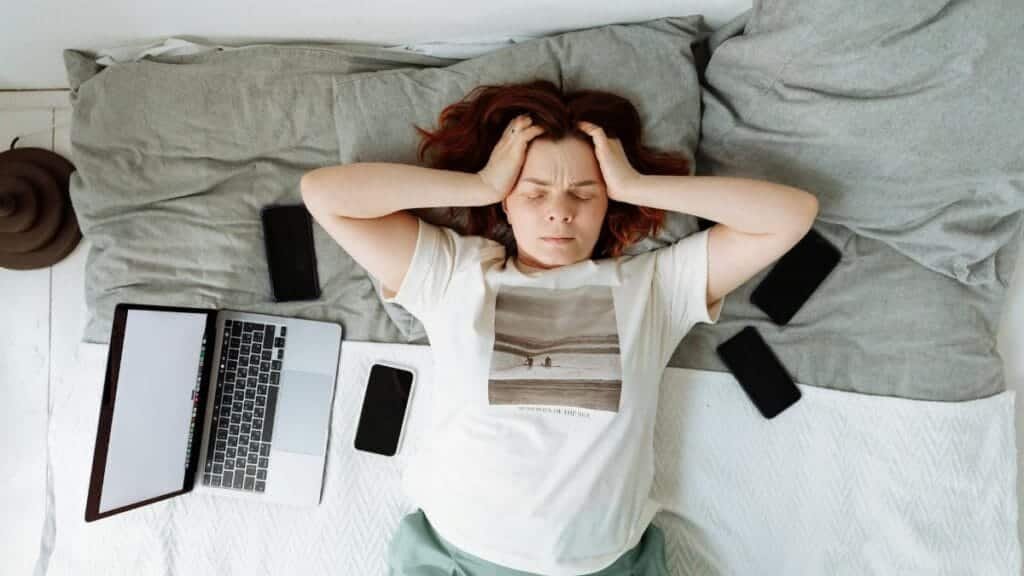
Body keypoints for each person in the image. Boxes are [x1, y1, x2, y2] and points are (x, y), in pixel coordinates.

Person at [301, 80, 818, 576]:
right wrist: (479, 183)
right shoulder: (456, 274)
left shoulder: (655, 287)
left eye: (584, 193)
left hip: (601, 566)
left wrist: (636, 184)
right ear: (506, 200)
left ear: (606, 203)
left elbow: (791, 214)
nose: (560, 212)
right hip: (460, 557)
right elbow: (325, 194)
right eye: (535, 192)